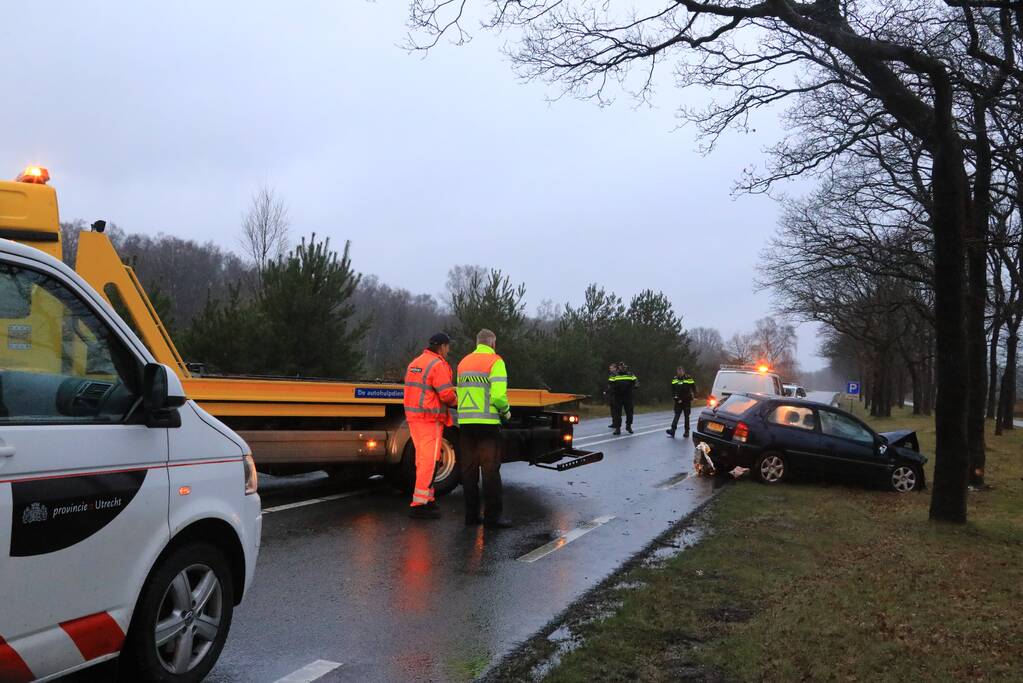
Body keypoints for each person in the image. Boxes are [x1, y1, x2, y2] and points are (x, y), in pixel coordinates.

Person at [456, 328, 513, 528]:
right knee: (490, 471)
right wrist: (506, 412)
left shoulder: (463, 362)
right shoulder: (495, 361)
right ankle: (492, 517)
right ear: (492, 343)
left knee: (469, 471)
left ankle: (471, 517)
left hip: (466, 423)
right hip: (487, 424)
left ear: (477, 342)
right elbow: (497, 396)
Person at [403, 333, 458, 519]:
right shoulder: (438, 365)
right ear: (442, 346)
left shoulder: (416, 363)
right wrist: (458, 402)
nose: (448, 350)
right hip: (429, 419)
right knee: (429, 461)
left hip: (414, 417)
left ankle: (427, 498)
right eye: (448, 347)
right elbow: (446, 394)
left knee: (422, 459)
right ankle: (419, 504)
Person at [667, 367, 697, 438]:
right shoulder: (675, 378)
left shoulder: (688, 378)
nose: (680, 373)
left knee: (686, 416)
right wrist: (675, 397)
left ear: (683, 372)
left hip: (686, 400)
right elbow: (672, 389)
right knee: (676, 415)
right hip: (678, 401)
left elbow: (693, 387)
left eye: (681, 371)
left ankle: (686, 432)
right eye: (678, 371)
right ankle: (672, 431)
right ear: (677, 372)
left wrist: (695, 396)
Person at [609, 362, 638, 435]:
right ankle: (617, 428)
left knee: (629, 412)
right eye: (621, 366)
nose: (622, 368)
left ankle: (629, 426)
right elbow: (610, 384)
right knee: (617, 413)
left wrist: (635, 386)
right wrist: (613, 390)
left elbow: (636, 381)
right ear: (618, 367)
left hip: (628, 396)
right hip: (618, 396)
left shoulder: (630, 374)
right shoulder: (614, 375)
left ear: (625, 367)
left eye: (623, 366)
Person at [606, 362, 620, 429]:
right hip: (611, 394)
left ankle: (617, 423)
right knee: (612, 410)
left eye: (611, 368)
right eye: (610, 368)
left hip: (616, 394)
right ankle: (614, 423)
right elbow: (609, 385)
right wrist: (606, 391)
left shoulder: (617, 375)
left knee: (616, 410)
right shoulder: (611, 374)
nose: (610, 369)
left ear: (615, 368)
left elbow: (615, 385)